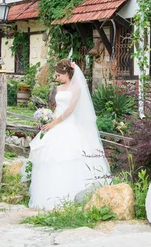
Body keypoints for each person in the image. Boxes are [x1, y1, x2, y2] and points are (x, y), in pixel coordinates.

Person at [28, 59, 110, 210]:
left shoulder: (77, 88)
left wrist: (54, 123)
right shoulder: (59, 89)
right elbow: (58, 108)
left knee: (70, 156)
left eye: (59, 75)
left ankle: (72, 198)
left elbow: (69, 110)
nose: (57, 78)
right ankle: (47, 198)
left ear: (67, 72)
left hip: (68, 124)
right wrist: (47, 119)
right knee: (49, 155)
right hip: (56, 122)